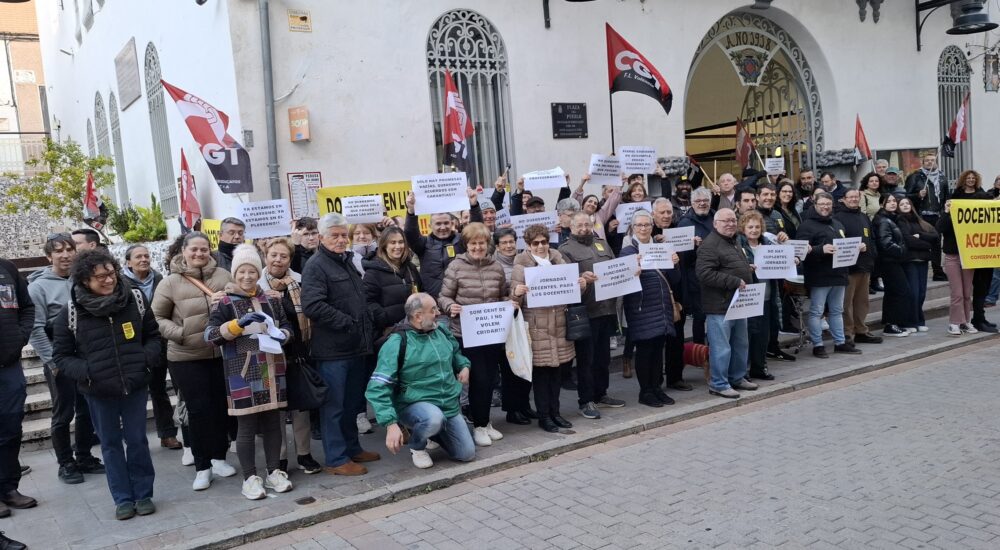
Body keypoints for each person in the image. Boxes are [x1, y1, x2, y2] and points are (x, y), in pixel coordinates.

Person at [52, 250, 160, 520]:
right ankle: (123, 499)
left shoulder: (134, 299)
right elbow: (62, 356)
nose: (108, 280)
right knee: (110, 445)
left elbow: (154, 336)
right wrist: (88, 372)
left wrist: (144, 360)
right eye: (100, 277)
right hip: (98, 391)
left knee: (137, 441)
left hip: (133, 385)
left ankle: (143, 494)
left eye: (110, 273)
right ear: (84, 280)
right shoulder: (71, 312)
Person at [205, 244, 295, 500]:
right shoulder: (224, 302)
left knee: (273, 424)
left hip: (271, 369)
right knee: (246, 427)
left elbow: (288, 327)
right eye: (242, 271)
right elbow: (210, 336)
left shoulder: (270, 299)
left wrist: (283, 334)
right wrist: (235, 326)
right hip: (241, 373)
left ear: (258, 272)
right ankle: (250, 478)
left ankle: (274, 472)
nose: (247, 276)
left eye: (252, 271)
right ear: (235, 273)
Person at [151, 232, 237, 491]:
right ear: (184, 251)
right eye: (194, 250)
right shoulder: (170, 282)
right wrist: (181, 334)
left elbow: (238, 304)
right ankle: (202, 466)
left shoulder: (223, 276)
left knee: (221, 408)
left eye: (204, 249)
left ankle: (219, 457)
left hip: (221, 354)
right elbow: (156, 318)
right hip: (186, 357)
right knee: (198, 412)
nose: (199, 254)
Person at [301, 213, 380, 476]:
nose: (340, 240)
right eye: (334, 235)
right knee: (334, 407)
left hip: (356, 347)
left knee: (351, 403)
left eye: (343, 235)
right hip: (333, 351)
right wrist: (346, 322)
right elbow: (312, 305)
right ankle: (336, 459)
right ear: (321, 237)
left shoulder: (346, 261)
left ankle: (352, 448)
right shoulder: (316, 265)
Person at [367, 293, 475, 469]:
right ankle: (417, 446)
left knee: (466, 454)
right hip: (414, 404)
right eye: (433, 310)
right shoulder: (396, 342)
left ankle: (433, 432)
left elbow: (455, 353)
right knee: (433, 418)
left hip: (447, 403)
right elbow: (377, 387)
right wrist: (390, 424)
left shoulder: (441, 331)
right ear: (418, 316)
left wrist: (464, 366)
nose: (438, 313)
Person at [28, 233, 103, 484]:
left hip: (85, 355)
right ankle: (66, 463)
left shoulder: (81, 280)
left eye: (69, 249)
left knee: (86, 409)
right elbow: (36, 328)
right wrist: (52, 361)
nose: (66, 254)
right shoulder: (38, 287)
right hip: (59, 358)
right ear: (49, 256)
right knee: (63, 412)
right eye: (58, 251)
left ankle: (83, 456)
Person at [438, 223, 510, 446]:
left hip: (491, 332)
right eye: (474, 243)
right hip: (465, 333)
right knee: (478, 379)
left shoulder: (496, 266)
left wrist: (510, 302)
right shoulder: (456, 267)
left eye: (482, 243)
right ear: (466, 244)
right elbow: (443, 297)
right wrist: (451, 307)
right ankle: (478, 426)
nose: (478, 247)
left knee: (489, 379)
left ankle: (486, 422)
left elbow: (503, 295)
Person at [511, 225, 585, 431]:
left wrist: (580, 285)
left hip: (559, 324)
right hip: (537, 328)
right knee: (542, 376)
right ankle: (544, 416)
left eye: (544, 241)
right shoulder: (520, 266)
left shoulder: (558, 260)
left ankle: (556, 413)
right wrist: (517, 292)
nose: (541, 246)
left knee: (557, 374)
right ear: (528, 245)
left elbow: (571, 290)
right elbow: (512, 299)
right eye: (536, 243)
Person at [259, 238, 322, 475]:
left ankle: (304, 454)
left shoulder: (300, 282)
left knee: (300, 407)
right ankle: (280, 458)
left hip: (298, 352)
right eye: (273, 255)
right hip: (268, 356)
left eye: (283, 256)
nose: (278, 260)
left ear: (290, 259)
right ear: (265, 256)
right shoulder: (255, 284)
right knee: (275, 410)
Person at [559, 212, 627, 419]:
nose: (583, 228)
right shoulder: (565, 250)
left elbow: (615, 267)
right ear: (571, 227)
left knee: (603, 357)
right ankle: (586, 400)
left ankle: (601, 394)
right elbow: (564, 279)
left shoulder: (602, 244)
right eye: (579, 225)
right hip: (584, 312)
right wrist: (580, 277)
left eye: (587, 225)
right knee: (586, 360)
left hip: (606, 309)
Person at [120, 244, 181, 450]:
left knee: (159, 389)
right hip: (133, 342)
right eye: (138, 257)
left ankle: (167, 433)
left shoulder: (159, 280)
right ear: (128, 262)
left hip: (161, 339)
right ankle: (135, 439)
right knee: (134, 392)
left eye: (146, 256)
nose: (144, 259)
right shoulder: (121, 283)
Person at [619, 211, 678, 406]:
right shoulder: (628, 251)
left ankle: (656, 388)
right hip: (641, 308)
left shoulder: (661, 248)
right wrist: (633, 271)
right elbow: (622, 282)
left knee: (657, 349)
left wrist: (675, 264)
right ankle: (645, 392)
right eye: (639, 225)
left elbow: (675, 280)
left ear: (652, 227)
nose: (643, 228)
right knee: (645, 350)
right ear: (633, 228)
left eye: (647, 225)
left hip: (661, 308)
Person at [696, 209, 756, 399]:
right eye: (726, 221)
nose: (730, 224)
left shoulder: (734, 241)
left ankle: (737, 377)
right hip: (719, 306)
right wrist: (734, 281)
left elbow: (729, 265)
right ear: (715, 224)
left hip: (739, 303)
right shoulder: (709, 245)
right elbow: (704, 274)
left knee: (740, 343)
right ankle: (719, 383)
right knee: (722, 347)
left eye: (733, 220)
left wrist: (747, 268)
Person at [796, 192, 862, 358]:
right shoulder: (806, 226)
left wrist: (855, 248)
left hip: (839, 274)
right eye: (822, 204)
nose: (825, 207)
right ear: (815, 205)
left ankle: (840, 342)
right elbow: (799, 251)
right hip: (819, 276)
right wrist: (820, 249)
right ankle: (817, 345)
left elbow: (843, 244)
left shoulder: (837, 223)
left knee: (837, 310)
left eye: (828, 204)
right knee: (817, 311)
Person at [0, 256, 37, 523]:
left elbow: (26, 307)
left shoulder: (7, 268)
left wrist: (20, 336)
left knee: (11, 428)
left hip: (9, 364)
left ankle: (8, 488)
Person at [404, 189, 482, 297]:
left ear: (452, 223)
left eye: (446, 223)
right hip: (433, 303)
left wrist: (473, 205)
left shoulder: (462, 241)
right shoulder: (423, 244)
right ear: (430, 226)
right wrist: (411, 211)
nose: (443, 227)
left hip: (462, 299)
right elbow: (410, 233)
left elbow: (476, 231)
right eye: (438, 224)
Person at [949, 170, 998, 334]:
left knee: (983, 286)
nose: (970, 180)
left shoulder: (983, 195)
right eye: (968, 178)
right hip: (965, 251)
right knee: (970, 289)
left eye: (973, 178)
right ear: (963, 180)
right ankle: (968, 320)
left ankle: (979, 318)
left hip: (984, 249)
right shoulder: (955, 196)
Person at [833, 189, 883, 345]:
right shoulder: (838, 218)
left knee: (862, 302)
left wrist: (872, 254)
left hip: (865, 266)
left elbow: (871, 238)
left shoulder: (863, 217)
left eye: (856, 197)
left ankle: (861, 330)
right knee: (846, 303)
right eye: (850, 197)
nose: (854, 199)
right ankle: (847, 333)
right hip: (848, 268)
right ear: (844, 200)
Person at [737, 211, 781, 381]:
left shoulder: (768, 244)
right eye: (750, 227)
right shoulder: (738, 246)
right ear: (743, 228)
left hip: (767, 297)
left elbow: (783, 258)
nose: (754, 230)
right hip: (749, 298)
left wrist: (793, 260)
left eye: (757, 226)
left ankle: (759, 367)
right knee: (746, 336)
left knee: (763, 335)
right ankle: (744, 371)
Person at [677, 187, 716, 344]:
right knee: (700, 316)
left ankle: (714, 347)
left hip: (717, 273)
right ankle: (699, 351)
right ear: (692, 203)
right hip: (696, 276)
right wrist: (692, 245)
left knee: (715, 314)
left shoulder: (716, 217)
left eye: (705, 200)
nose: (702, 204)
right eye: (698, 201)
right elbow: (680, 255)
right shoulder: (685, 222)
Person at [872, 194, 914, 337]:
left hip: (892, 261)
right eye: (888, 201)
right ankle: (892, 324)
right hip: (889, 262)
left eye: (894, 201)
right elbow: (885, 243)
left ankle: (892, 323)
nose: (892, 203)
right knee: (900, 291)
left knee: (892, 292)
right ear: (882, 204)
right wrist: (902, 251)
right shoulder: (884, 221)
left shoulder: (891, 218)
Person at [896, 197, 939, 333]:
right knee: (913, 293)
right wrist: (926, 245)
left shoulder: (920, 220)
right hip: (910, 261)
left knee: (921, 293)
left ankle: (919, 320)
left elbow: (935, 236)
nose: (905, 205)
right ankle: (911, 322)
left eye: (907, 203)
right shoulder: (900, 220)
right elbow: (908, 240)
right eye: (901, 204)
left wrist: (920, 236)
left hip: (923, 261)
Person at [904, 153, 947, 281]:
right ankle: (919, 269)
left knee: (936, 242)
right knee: (922, 241)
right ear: (923, 163)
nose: (930, 162)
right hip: (922, 215)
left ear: (936, 162)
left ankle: (937, 271)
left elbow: (946, 197)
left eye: (932, 160)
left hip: (937, 215)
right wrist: (918, 195)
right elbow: (906, 196)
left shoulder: (942, 177)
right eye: (927, 160)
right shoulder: (915, 177)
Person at [937, 199, 977, 336]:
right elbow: (939, 228)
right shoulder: (948, 218)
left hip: (967, 256)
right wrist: (946, 212)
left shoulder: (970, 218)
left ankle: (965, 321)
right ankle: (954, 323)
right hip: (952, 257)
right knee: (957, 293)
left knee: (967, 292)